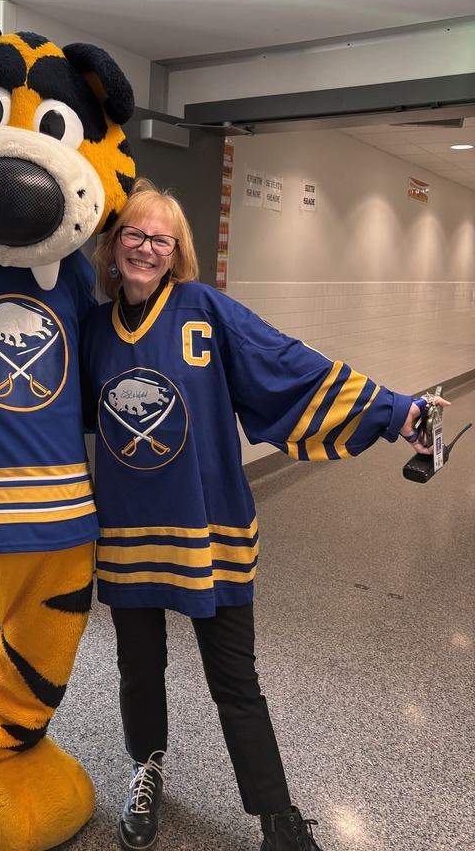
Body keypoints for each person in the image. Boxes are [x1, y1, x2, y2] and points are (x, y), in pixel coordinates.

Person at [81, 178, 445, 851]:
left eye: (161, 238)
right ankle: (147, 766)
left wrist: (399, 410)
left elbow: (290, 366)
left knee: (235, 681)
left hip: (210, 526)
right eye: (134, 233)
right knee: (138, 667)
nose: (146, 247)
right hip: (129, 532)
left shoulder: (206, 310)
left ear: (177, 251)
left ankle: (277, 817)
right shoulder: (94, 329)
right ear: (114, 245)